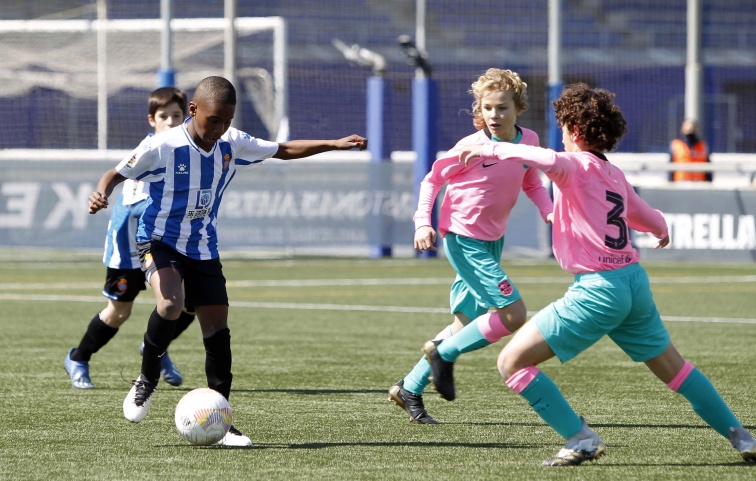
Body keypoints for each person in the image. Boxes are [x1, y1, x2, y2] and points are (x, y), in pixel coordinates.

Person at [458, 82, 756, 466]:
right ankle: (742, 437)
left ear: (575, 132)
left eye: (563, 128)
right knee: (676, 371)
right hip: (633, 283)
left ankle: (580, 438)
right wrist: (661, 230)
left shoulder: (573, 165)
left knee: (511, 363)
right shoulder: (614, 175)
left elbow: (540, 157)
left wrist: (488, 146)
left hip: (598, 290)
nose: (560, 137)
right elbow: (651, 217)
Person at [87, 76, 367, 446]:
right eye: (213, 120)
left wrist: (332, 143)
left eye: (226, 122)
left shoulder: (232, 142)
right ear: (193, 110)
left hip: (203, 247)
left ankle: (222, 421)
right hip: (159, 239)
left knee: (217, 332)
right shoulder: (164, 145)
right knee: (170, 304)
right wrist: (101, 193)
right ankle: (146, 379)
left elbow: (282, 149)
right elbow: (116, 173)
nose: (219, 129)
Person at [389, 68, 553, 424]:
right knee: (513, 315)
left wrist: (549, 211)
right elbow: (432, 181)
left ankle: (409, 387)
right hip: (463, 239)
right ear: (480, 108)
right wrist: (422, 222)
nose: (495, 115)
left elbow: (532, 181)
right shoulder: (470, 146)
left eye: (503, 108)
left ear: (519, 108)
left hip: (492, 240)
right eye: (488, 108)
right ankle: (442, 357)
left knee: (465, 323)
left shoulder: (530, 141)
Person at [64, 86, 194, 390]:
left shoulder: (188, 147)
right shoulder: (150, 150)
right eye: (165, 116)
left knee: (188, 302)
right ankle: (79, 357)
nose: (172, 121)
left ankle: (155, 349)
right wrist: (101, 195)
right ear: (152, 120)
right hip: (129, 245)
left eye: (177, 115)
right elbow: (136, 204)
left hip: (161, 242)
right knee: (119, 312)